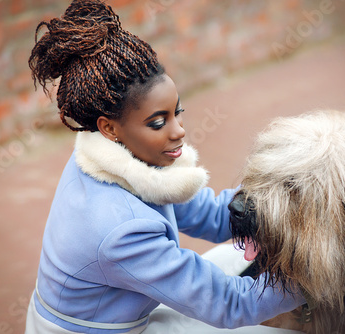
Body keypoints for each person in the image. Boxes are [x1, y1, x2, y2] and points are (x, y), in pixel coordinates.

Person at [25, 1, 304, 333]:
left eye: (177, 111)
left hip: (118, 309)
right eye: (158, 122)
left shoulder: (123, 157)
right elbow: (231, 304)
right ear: (109, 128)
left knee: (236, 260)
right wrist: (319, 273)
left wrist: (283, 205)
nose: (179, 131)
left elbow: (213, 215)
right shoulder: (120, 230)